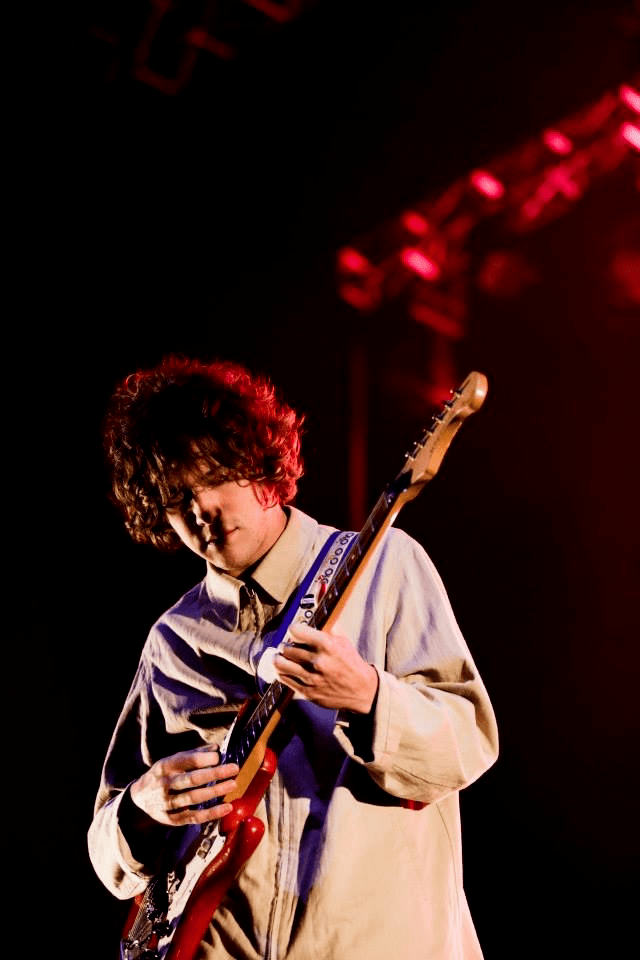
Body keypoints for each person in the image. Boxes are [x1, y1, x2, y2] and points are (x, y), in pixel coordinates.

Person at [88, 355, 499, 960]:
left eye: (213, 477)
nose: (200, 510)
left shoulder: (385, 567)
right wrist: (141, 807)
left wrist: (369, 696)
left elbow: (469, 744)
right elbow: (106, 847)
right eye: (176, 498)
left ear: (259, 465)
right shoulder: (172, 641)